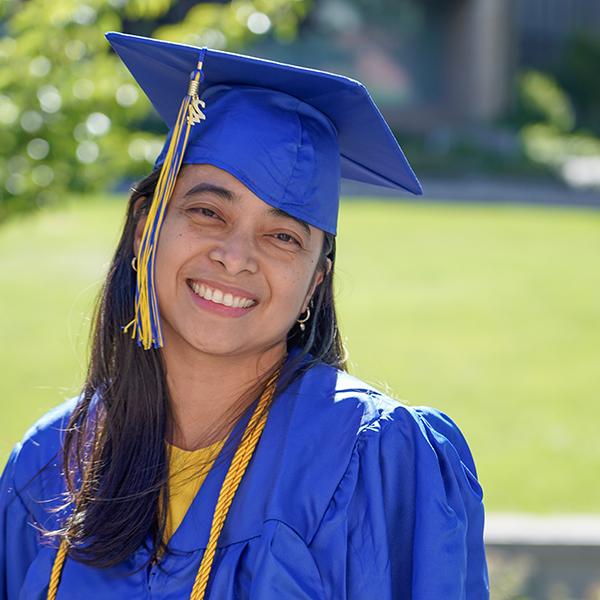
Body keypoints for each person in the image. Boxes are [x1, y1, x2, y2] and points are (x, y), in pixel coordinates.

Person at [0, 31, 489, 599]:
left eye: (282, 236)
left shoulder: (374, 461)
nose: (236, 257)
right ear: (144, 229)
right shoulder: (50, 464)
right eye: (207, 211)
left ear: (314, 283)